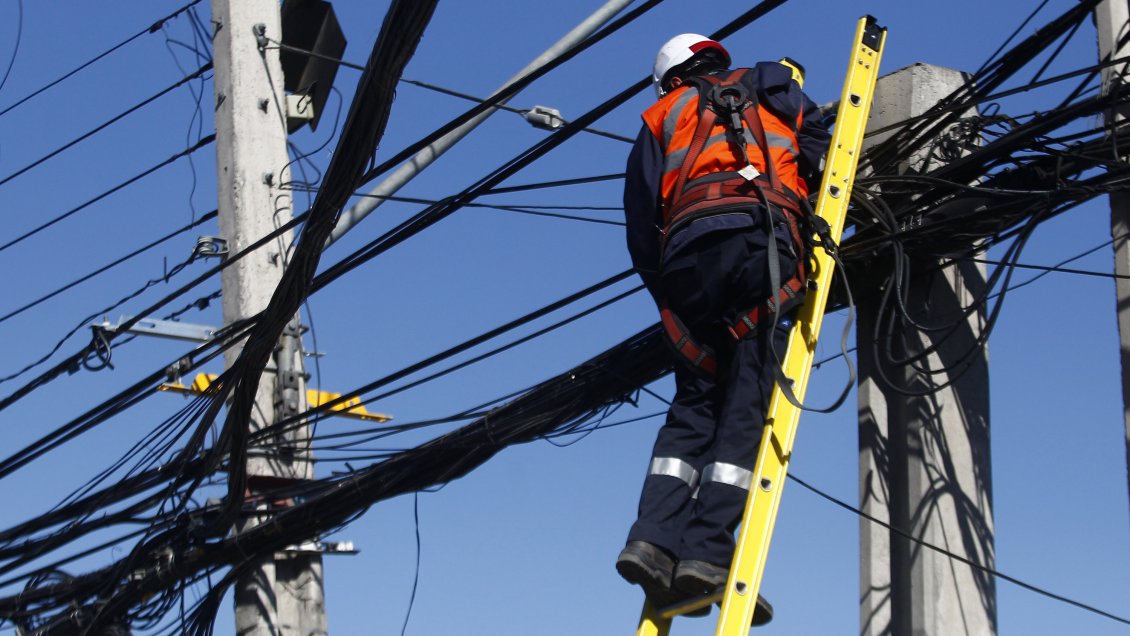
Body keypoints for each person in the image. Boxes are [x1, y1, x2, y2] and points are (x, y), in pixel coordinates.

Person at [615, 33, 830, 617]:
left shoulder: (661, 114)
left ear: (670, 77)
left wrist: (671, 301)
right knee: (746, 400)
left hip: (687, 261)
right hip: (762, 241)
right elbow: (819, 136)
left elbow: (640, 223)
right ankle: (707, 555)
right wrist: (801, 182)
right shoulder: (768, 82)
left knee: (694, 404)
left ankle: (652, 541)